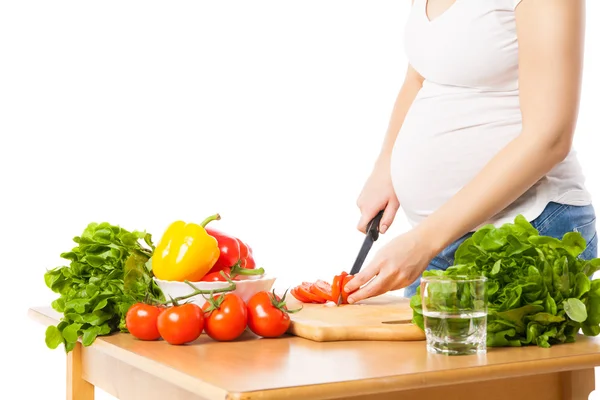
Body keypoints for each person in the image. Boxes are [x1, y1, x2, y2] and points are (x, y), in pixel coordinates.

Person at [343, 0, 596, 304]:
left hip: (526, 234)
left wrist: (424, 241)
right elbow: (420, 76)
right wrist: (386, 166)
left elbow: (549, 138)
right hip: (435, 243)